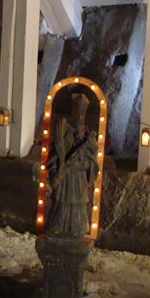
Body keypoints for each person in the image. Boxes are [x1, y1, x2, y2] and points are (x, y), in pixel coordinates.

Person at [45, 93, 98, 238]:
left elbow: (93, 162)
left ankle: (77, 229)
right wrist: (59, 167)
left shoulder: (88, 137)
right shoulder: (64, 132)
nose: (79, 117)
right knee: (61, 203)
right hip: (65, 176)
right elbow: (55, 154)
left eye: (82, 114)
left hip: (79, 177)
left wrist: (83, 162)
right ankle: (57, 228)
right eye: (77, 112)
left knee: (78, 205)